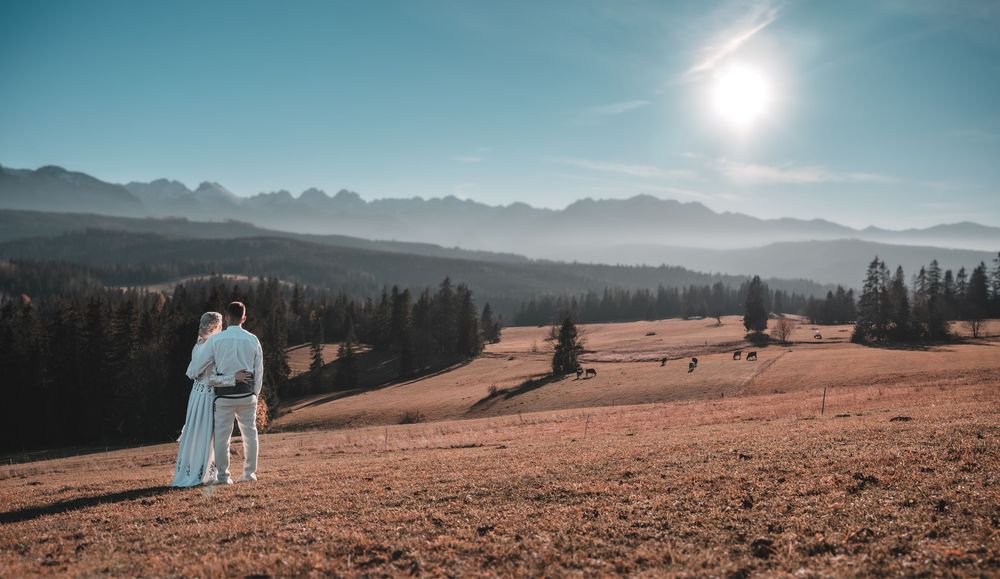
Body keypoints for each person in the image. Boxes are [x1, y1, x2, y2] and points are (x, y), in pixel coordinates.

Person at [187, 301, 264, 484]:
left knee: (223, 437)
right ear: (244, 318)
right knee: (250, 435)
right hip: (247, 395)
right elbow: (259, 371)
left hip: (224, 397)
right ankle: (249, 474)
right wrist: (255, 394)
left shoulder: (215, 340)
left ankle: (223, 476)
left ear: (227, 317)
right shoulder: (253, 339)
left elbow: (194, 369)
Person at [172, 312, 251, 487]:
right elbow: (211, 379)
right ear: (216, 327)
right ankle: (206, 474)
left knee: (197, 433)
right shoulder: (212, 346)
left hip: (196, 396)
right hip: (207, 398)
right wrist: (234, 377)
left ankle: (192, 471)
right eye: (221, 325)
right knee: (210, 435)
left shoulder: (198, 345)